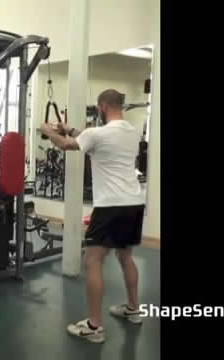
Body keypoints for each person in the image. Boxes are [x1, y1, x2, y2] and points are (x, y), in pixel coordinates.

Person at [40, 89, 145, 344]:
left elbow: (67, 145)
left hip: (110, 206)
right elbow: (88, 138)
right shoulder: (132, 132)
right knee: (125, 255)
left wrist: (48, 130)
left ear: (101, 106)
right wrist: (70, 128)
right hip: (134, 202)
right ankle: (133, 309)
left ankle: (94, 325)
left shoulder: (98, 133)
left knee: (93, 260)